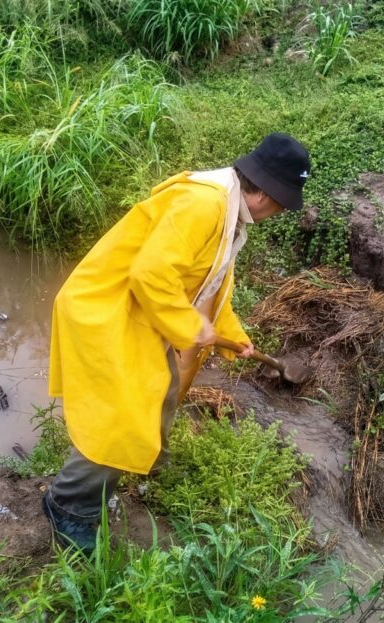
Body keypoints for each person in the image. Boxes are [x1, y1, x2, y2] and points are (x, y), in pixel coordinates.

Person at [43, 133, 311, 553]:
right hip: (107, 311)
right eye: (283, 202)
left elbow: (211, 287)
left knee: (162, 389)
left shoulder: (228, 213)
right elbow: (151, 274)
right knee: (123, 417)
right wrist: (189, 326)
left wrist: (232, 338)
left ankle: (145, 462)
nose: (280, 212)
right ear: (269, 194)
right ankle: (68, 504)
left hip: (141, 313)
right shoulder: (203, 205)